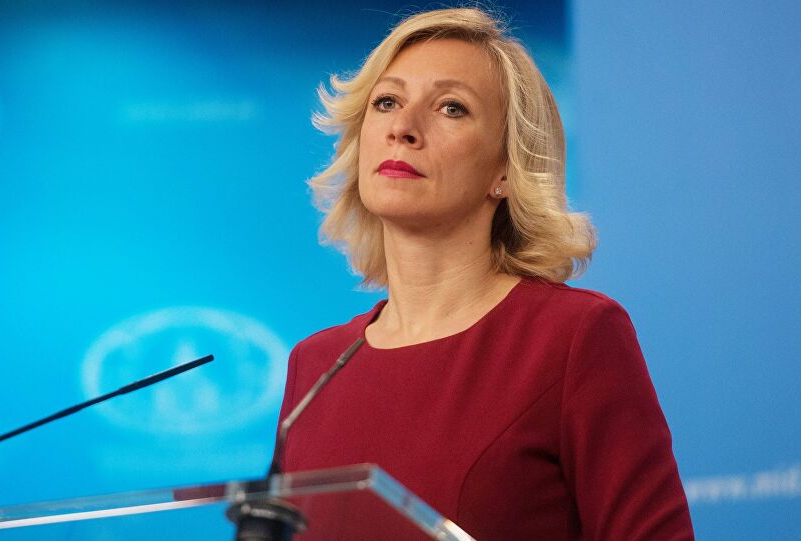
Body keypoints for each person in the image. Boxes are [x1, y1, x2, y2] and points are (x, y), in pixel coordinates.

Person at [275, 7, 695, 541]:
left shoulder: (572, 338)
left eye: (452, 108)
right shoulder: (314, 366)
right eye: (387, 102)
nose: (403, 128)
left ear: (505, 169)